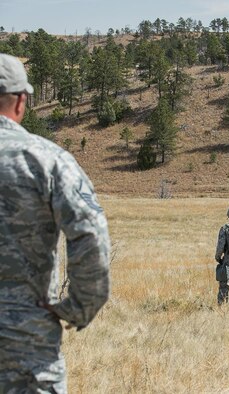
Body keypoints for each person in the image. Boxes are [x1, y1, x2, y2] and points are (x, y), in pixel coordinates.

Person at [0, 53, 111, 393]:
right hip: (25, 344)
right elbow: (90, 234)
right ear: (22, 101)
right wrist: (78, 308)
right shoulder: (46, 160)